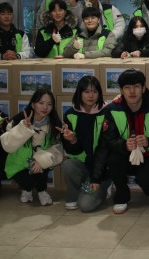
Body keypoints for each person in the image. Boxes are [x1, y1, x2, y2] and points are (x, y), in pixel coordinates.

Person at [98, 69, 149, 214]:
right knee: (113, 159)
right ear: (121, 90)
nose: (132, 91)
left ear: (143, 88)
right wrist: (123, 145)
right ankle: (122, 196)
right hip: (124, 156)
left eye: (136, 86)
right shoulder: (112, 109)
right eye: (127, 87)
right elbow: (108, 140)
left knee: (146, 180)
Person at [0, 88, 63, 206]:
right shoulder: (17, 120)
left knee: (40, 171)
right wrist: (23, 128)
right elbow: (8, 146)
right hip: (18, 163)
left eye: (49, 104)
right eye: (41, 103)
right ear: (33, 104)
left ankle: (42, 191)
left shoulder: (53, 124)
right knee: (27, 181)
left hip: (38, 162)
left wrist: (41, 160)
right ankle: (26, 189)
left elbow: (56, 148)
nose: (45, 107)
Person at [61, 76, 113, 212]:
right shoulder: (70, 114)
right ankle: (74, 194)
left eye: (95, 91)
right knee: (68, 165)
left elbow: (106, 147)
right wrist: (73, 140)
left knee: (86, 206)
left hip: (102, 169)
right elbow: (71, 151)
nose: (91, 95)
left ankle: (104, 185)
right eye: (86, 91)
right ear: (80, 93)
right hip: (83, 164)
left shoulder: (107, 112)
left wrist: (97, 176)